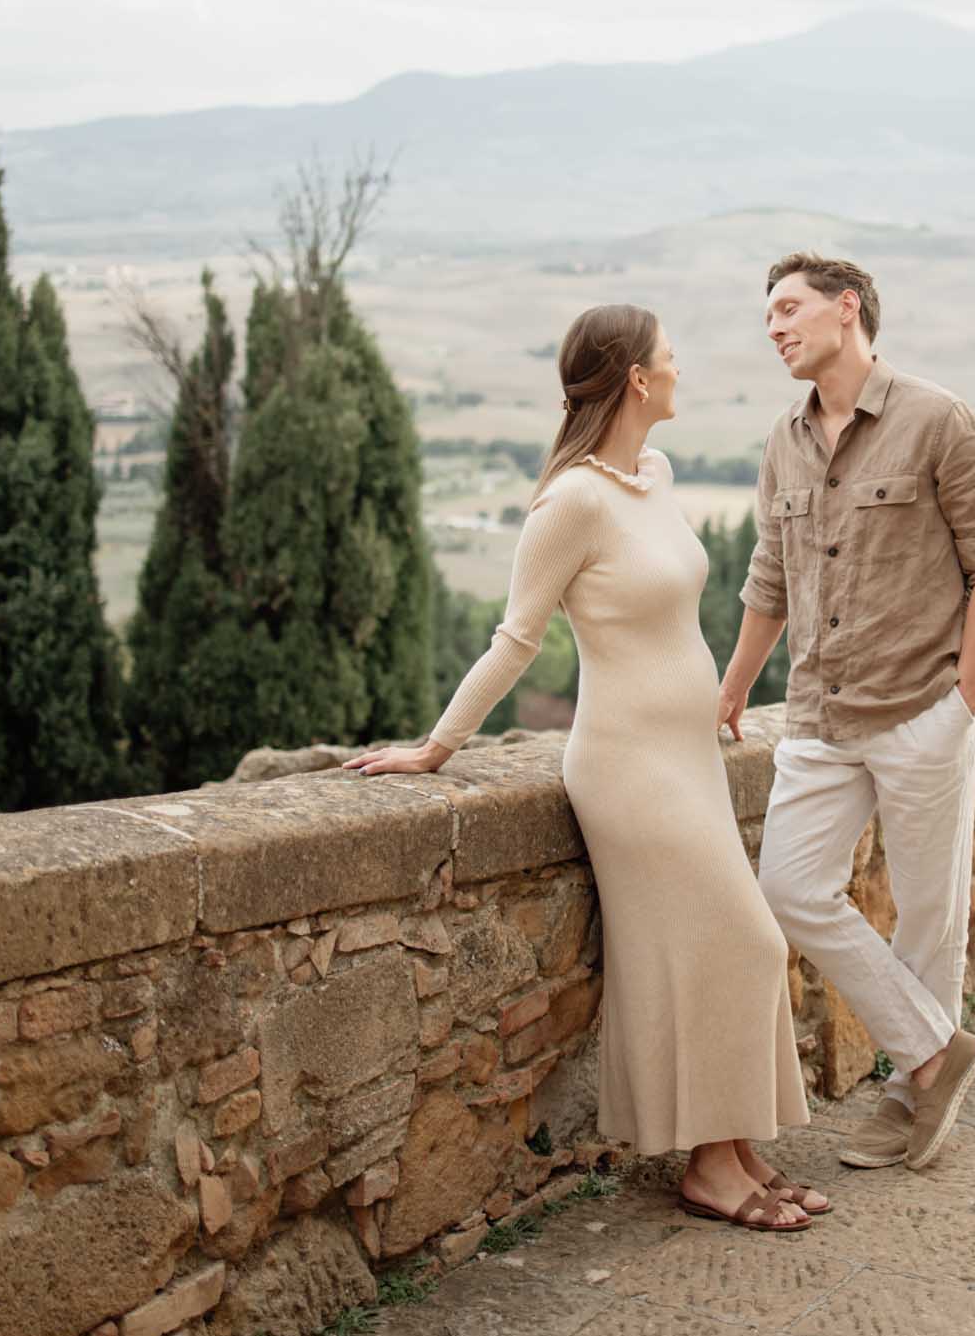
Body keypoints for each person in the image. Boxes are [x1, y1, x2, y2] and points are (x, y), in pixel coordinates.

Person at [345, 305, 820, 1233]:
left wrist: (719, 695)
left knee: (727, 947)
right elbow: (514, 640)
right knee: (739, 940)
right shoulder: (571, 502)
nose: (681, 367)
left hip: (687, 754)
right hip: (627, 767)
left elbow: (673, 617)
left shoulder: (654, 473)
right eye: (670, 357)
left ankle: (734, 1152)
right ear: (637, 379)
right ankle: (705, 1170)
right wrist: (436, 749)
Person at [717, 252, 975, 1171]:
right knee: (789, 887)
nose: (773, 327)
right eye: (766, 314)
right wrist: (736, 684)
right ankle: (937, 1054)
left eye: (788, 308)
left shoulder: (939, 421)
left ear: (846, 308)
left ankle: (908, 1104)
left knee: (930, 917)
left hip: (919, 707)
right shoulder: (785, 442)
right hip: (816, 713)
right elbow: (770, 580)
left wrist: (961, 700)